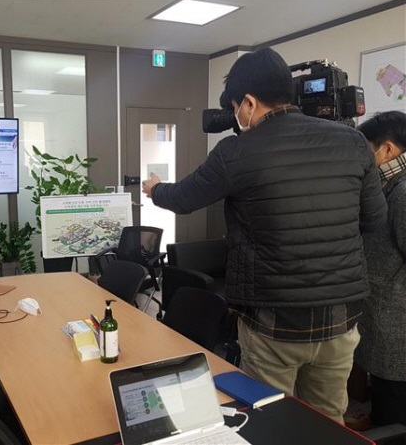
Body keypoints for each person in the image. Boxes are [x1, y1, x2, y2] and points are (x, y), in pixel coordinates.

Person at [141, 47, 387, 423]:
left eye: (237, 106)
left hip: (273, 324)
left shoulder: (236, 152)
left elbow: (184, 198)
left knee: (270, 418)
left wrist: (155, 188)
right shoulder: (352, 142)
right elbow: (373, 221)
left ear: (250, 103)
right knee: (327, 423)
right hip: (340, 320)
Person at [355, 110, 406, 427]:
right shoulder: (388, 185)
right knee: (383, 385)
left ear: (387, 149)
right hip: (382, 308)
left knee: (394, 389)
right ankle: (377, 422)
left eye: (365, 150)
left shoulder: (402, 192)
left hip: (396, 315)